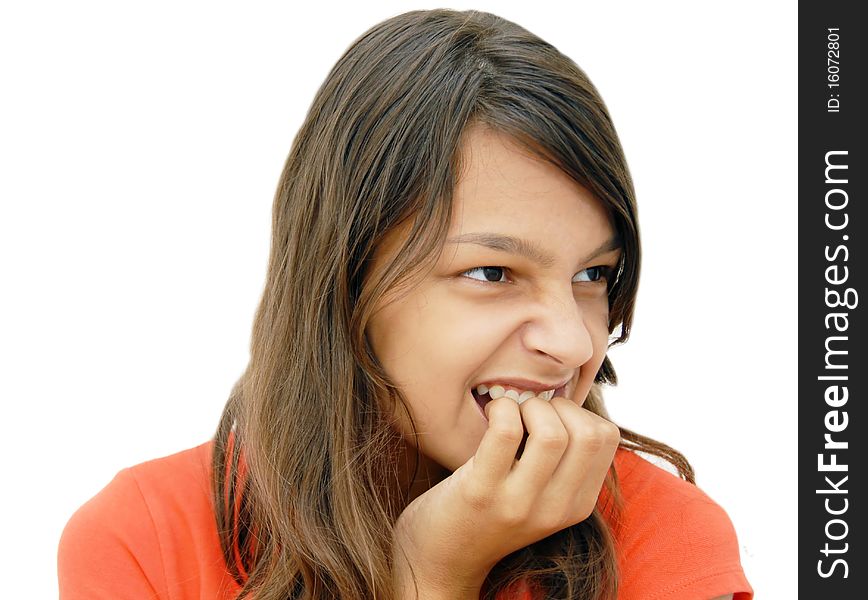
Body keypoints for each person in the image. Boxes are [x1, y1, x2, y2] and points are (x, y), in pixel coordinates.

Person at [57, 9, 753, 600]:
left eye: (593, 274)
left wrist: (433, 575)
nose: (573, 344)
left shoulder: (667, 539)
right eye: (492, 271)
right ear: (346, 279)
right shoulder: (146, 541)